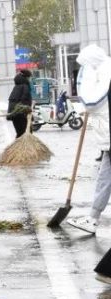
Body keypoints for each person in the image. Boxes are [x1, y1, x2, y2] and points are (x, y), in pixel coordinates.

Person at [68, 45, 111, 235]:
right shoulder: (103, 72)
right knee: (105, 177)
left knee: (105, 178)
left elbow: (93, 102)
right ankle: (92, 218)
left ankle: (93, 218)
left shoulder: (105, 73)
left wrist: (85, 84)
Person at [8, 70, 33, 138]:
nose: (30, 80)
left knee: (20, 134)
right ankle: (23, 148)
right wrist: (28, 110)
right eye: (30, 77)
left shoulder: (16, 86)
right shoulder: (25, 87)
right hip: (20, 114)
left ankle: (18, 148)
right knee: (26, 134)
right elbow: (25, 101)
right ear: (26, 78)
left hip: (14, 114)